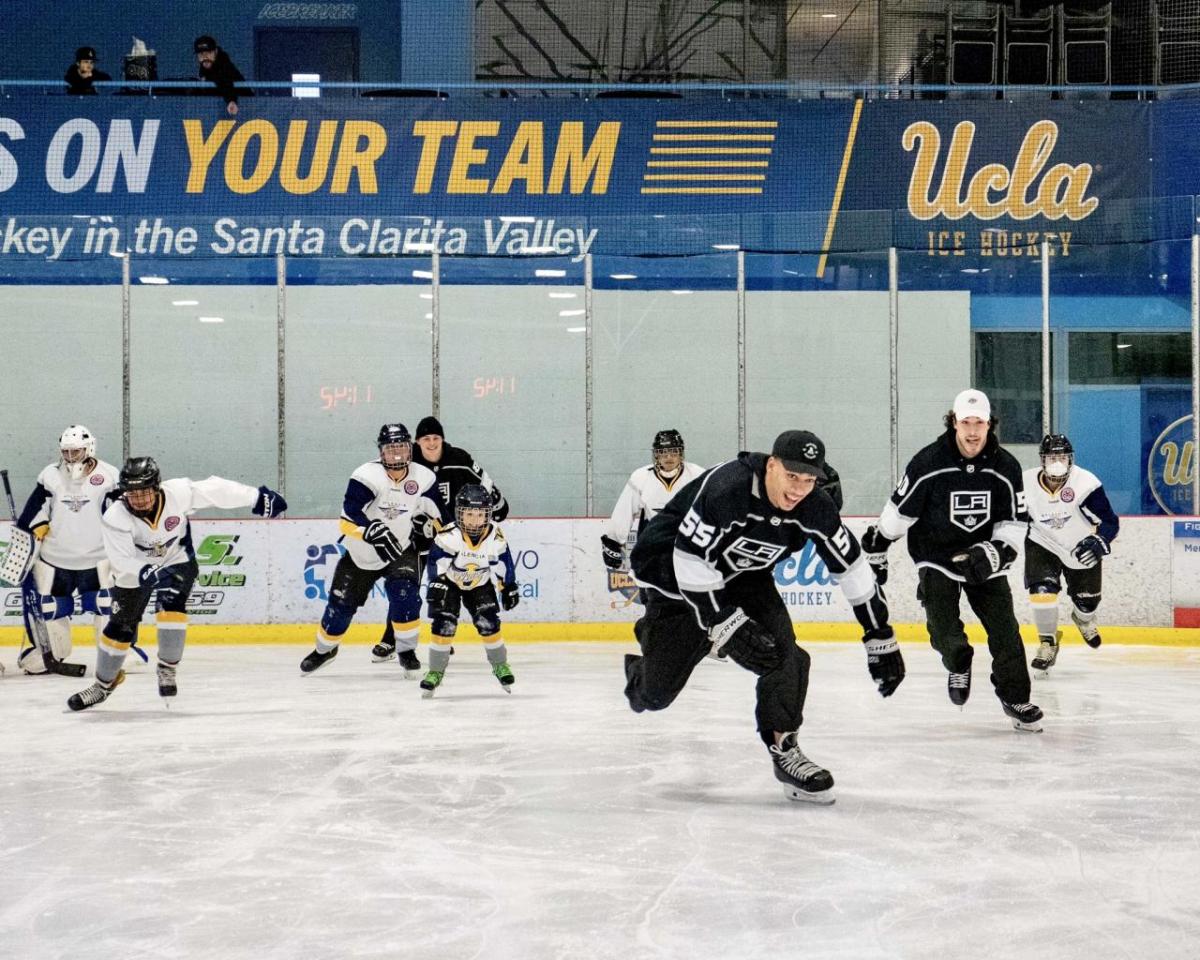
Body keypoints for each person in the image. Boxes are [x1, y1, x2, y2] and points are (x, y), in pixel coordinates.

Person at [623, 430, 904, 804]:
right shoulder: (728, 489)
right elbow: (688, 559)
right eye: (792, 476)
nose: (798, 490)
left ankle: (784, 747)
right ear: (771, 466)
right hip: (672, 580)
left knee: (784, 655)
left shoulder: (814, 505)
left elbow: (851, 568)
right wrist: (723, 623)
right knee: (654, 697)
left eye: (808, 480)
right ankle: (645, 657)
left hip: (743, 579)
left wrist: (878, 634)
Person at [861, 388, 1042, 732]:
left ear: (990, 425)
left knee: (1005, 629)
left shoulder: (1006, 467)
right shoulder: (928, 462)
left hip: (983, 558)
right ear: (953, 422)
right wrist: (880, 541)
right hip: (936, 555)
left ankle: (1015, 696)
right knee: (943, 626)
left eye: (980, 423)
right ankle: (958, 663)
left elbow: (1015, 522)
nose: (973, 431)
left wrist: (996, 552)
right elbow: (901, 511)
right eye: (966, 422)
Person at [67, 457, 286, 711]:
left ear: (157, 487)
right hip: (134, 571)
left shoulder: (176, 493)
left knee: (172, 605)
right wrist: (144, 571)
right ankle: (103, 686)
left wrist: (256, 497)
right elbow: (121, 560)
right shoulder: (115, 516)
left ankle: (167, 668)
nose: (139, 499)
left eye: (144, 492)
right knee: (120, 628)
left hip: (177, 558)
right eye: (132, 494)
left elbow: (215, 489)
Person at [301, 424, 443, 676]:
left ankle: (406, 650)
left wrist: (439, 531)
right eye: (391, 449)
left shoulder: (424, 477)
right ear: (381, 452)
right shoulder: (365, 476)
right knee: (340, 606)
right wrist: (369, 531)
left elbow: (441, 515)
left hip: (399, 548)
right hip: (361, 554)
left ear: (410, 449)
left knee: (405, 595)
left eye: (401, 448)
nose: (397, 455)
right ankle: (325, 650)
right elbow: (347, 520)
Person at [370, 415, 506, 663]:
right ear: (417, 442)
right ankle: (392, 640)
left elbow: (486, 485)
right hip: (414, 539)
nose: (431, 443)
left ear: (442, 439)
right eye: (425, 439)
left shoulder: (460, 460)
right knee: (405, 588)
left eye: (436, 438)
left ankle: (442, 638)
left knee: (445, 590)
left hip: (452, 540)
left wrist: (497, 503)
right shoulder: (408, 463)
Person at [13, 426, 118, 675]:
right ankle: (51, 653)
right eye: (66, 452)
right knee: (50, 609)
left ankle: (116, 651)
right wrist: (36, 525)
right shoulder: (50, 476)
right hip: (56, 560)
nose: (71, 457)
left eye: (76, 451)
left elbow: (122, 514)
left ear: (89, 448)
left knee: (106, 606)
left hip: (98, 560)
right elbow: (33, 510)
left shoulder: (109, 476)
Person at [1024, 433, 1119, 673]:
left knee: (1088, 602)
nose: (1057, 462)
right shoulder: (1024, 483)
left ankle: (1084, 619)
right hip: (1042, 543)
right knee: (1041, 592)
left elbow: (1110, 521)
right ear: (1042, 460)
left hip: (1080, 548)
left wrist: (1098, 542)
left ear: (1071, 459)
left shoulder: (1086, 484)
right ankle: (1047, 642)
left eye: (1062, 457)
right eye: (1051, 457)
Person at [420, 484, 520, 697]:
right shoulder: (449, 535)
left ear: (488, 515)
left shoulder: (495, 536)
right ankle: (435, 671)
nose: (475, 520)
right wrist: (436, 583)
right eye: (469, 514)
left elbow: (504, 564)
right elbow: (435, 561)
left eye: (480, 514)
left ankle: (500, 665)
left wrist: (508, 586)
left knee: (489, 622)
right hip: (450, 582)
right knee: (444, 623)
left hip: (480, 582)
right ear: (459, 514)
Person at [600, 429, 705, 573]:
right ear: (656, 454)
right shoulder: (641, 477)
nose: (669, 457)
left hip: (686, 541)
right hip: (653, 539)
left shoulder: (697, 474)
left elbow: (711, 507)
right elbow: (625, 509)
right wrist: (613, 541)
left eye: (673, 451)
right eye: (663, 452)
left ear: (681, 453)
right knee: (650, 587)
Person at [194, 35, 249, 116]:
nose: (205, 57)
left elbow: (226, 83)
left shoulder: (224, 66)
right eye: (201, 54)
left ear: (216, 52)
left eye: (209, 52)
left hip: (245, 108)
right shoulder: (205, 66)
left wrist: (231, 101)